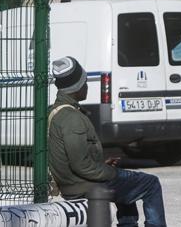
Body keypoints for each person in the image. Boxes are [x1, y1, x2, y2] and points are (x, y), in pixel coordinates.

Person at [48, 56, 167, 227]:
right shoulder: (71, 118)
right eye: (85, 82)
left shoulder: (56, 112)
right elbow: (81, 166)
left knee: (127, 187)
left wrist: (102, 164)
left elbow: (72, 157)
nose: (87, 86)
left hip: (74, 183)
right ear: (77, 87)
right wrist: (111, 173)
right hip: (82, 186)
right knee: (151, 183)